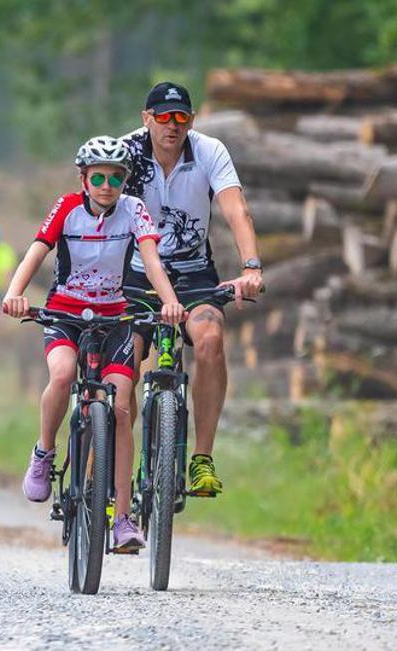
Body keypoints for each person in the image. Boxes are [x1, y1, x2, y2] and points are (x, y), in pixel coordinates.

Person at [2, 136, 184, 551]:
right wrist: (15, 293)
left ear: (124, 182)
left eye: (116, 178)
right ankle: (45, 453)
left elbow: (151, 261)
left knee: (121, 407)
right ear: (83, 179)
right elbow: (36, 253)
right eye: (98, 177)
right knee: (64, 374)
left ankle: (121, 519)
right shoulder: (66, 208)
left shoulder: (134, 211)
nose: (107, 185)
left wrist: (170, 303)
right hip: (65, 312)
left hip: (114, 315)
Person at [119, 81, 264, 498]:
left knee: (210, 339)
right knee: (123, 365)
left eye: (181, 117)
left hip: (194, 273)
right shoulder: (127, 152)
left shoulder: (208, 151)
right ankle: (106, 478)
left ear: (192, 120)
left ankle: (201, 458)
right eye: (163, 117)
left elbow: (236, 208)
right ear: (146, 119)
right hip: (136, 274)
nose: (172, 125)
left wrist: (251, 265)